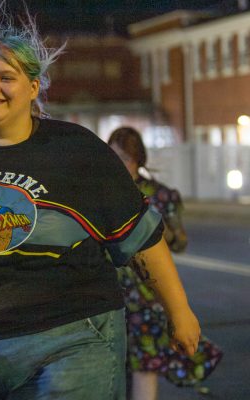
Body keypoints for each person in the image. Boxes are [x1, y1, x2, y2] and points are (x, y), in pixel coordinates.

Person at [0, 2, 201, 399]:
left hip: (67, 345)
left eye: (5, 78)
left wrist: (179, 312)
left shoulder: (76, 151)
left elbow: (140, 239)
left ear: (33, 87)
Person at [108, 127, 204, 400]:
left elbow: (180, 243)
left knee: (145, 366)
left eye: (125, 158)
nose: (120, 164)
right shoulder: (101, 193)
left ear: (138, 158)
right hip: (108, 295)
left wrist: (158, 230)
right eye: (113, 157)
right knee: (108, 366)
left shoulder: (159, 195)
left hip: (148, 298)